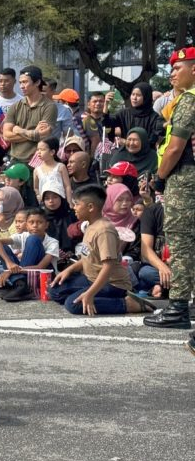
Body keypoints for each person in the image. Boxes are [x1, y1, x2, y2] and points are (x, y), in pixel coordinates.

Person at [148, 46, 195, 333]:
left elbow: (175, 146)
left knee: (179, 240)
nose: (172, 73)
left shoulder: (189, 101)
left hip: (184, 176)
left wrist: (160, 177)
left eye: (178, 67)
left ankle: (178, 306)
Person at [50, 185, 153, 316]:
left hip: (113, 283)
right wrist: (68, 270)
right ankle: (98, 297)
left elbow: (108, 266)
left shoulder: (104, 230)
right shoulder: (90, 225)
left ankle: (127, 304)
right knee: (55, 290)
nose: (73, 208)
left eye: (77, 204)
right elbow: (88, 258)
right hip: (91, 278)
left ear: (91, 207)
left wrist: (90, 293)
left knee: (73, 304)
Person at [1, 66, 58, 165]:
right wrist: (34, 132)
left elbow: (43, 135)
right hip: (15, 159)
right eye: (20, 82)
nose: (21, 86)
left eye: (25, 82)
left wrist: (19, 130)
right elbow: (6, 136)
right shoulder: (15, 106)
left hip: (38, 161)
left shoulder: (49, 106)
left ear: (37, 82)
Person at [104, 83, 166, 149]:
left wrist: (127, 142)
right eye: (133, 94)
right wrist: (106, 104)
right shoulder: (124, 113)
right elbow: (107, 123)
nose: (134, 98)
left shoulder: (154, 117)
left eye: (138, 95)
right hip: (126, 152)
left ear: (146, 97)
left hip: (146, 154)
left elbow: (154, 138)